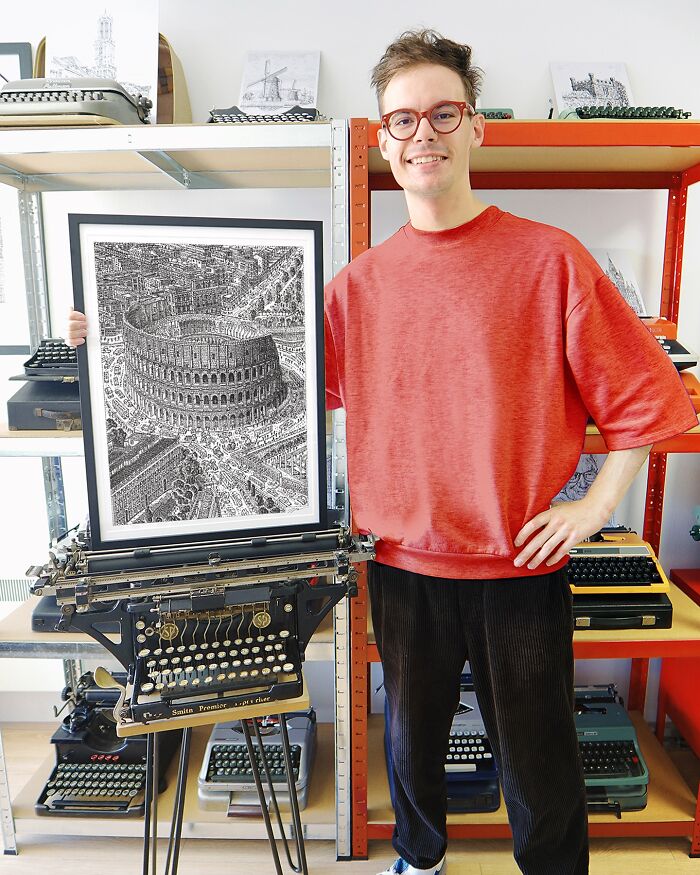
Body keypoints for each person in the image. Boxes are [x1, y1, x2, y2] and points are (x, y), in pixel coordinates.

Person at [66, 29, 697, 875]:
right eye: (402, 120)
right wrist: (108, 340)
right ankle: (420, 856)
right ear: (382, 139)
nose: (421, 134)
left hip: (518, 566)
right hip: (398, 564)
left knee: (540, 762)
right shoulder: (357, 286)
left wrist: (594, 506)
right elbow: (276, 384)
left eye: (442, 113)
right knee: (408, 742)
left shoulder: (551, 260)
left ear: (477, 128)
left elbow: (644, 399)